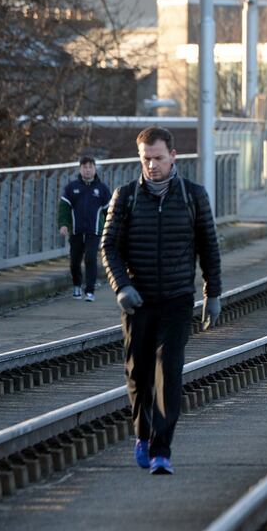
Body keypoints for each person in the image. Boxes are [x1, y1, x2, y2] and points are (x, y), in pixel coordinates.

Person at [100, 126, 222, 475]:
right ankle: (142, 434)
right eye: (145, 159)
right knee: (139, 373)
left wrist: (212, 293)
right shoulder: (125, 197)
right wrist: (121, 287)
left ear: (173, 157)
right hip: (138, 301)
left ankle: (161, 450)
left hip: (176, 299)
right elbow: (108, 247)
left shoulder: (193, 196)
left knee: (168, 371)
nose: (152, 165)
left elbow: (208, 247)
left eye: (158, 158)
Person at [58, 156, 110, 301]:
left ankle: (90, 290)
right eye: (84, 167)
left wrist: (111, 228)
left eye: (90, 167)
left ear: (95, 169)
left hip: (94, 231)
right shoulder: (71, 188)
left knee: (90, 258)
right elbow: (64, 209)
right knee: (75, 261)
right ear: (80, 169)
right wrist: (63, 224)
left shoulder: (102, 189)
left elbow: (109, 212)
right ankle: (76, 285)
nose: (87, 170)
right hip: (76, 231)